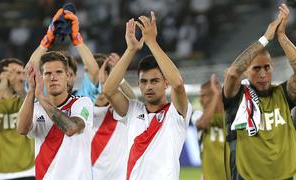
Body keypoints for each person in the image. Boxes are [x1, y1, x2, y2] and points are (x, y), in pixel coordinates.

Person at [103, 12, 192, 180]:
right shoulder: (132, 110)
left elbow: (178, 84)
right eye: (143, 82)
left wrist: (151, 42)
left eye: (154, 81)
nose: (148, 86)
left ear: (166, 83)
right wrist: (130, 50)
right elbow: (108, 90)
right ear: (138, 84)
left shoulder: (177, 112)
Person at [223, 4, 296, 180]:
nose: (263, 74)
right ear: (246, 71)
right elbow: (232, 74)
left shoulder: (283, 94)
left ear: (272, 67)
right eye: (256, 69)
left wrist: (282, 37)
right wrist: (265, 39)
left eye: (267, 67)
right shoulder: (237, 97)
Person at [17, 51, 94, 180]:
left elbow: (71, 128)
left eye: (59, 72)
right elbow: (21, 129)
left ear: (68, 76)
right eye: (48, 73)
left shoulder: (82, 103)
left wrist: (40, 97)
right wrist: (31, 91)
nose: (53, 77)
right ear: (41, 78)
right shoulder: (35, 108)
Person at [27, 8, 100, 101]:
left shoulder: (83, 97)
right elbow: (30, 69)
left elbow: (94, 72)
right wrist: (47, 40)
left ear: (72, 76)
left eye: (60, 72)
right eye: (49, 73)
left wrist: (77, 40)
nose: (56, 77)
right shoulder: (40, 96)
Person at [0, 58, 35, 179]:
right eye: (17, 73)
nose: (22, 78)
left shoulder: (27, 99)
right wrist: (1, 88)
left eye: (23, 73)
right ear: (2, 76)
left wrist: (21, 90)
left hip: (28, 172)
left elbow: (35, 116)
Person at [91, 55, 135, 180]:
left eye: (105, 76)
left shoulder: (121, 109)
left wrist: (119, 78)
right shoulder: (82, 108)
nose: (100, 81)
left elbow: (135, 103)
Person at [191, 74, 229, 180]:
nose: (200, 100)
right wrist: (216, 95)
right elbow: (202, 124)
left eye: (204, 96)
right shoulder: (198, 115)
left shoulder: (232, 117)